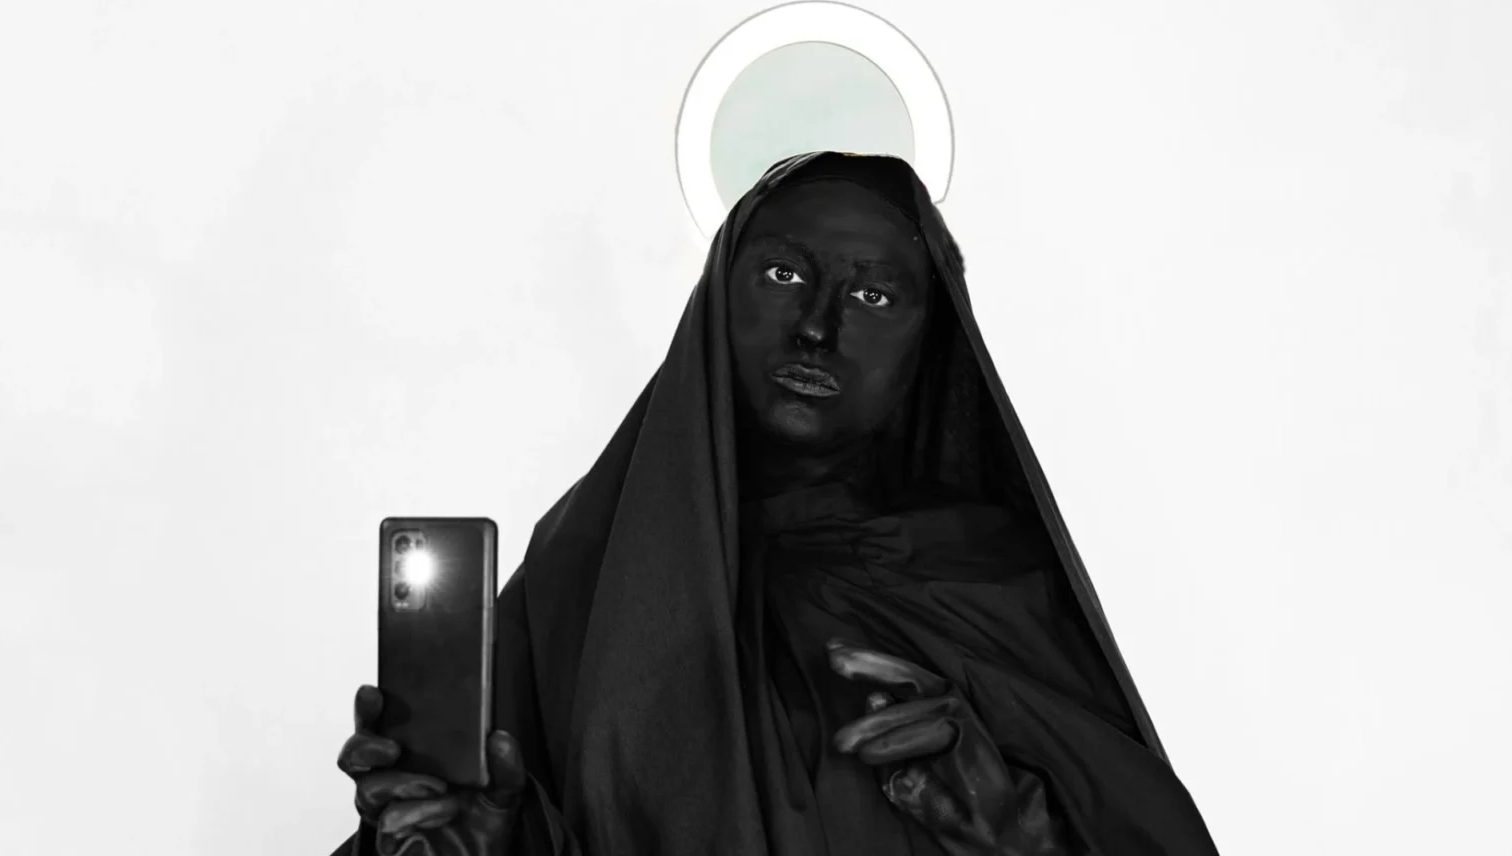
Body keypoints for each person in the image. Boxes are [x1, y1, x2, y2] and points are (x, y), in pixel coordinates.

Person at [331, 152, 1221, 855]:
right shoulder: (585, 574)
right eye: (785, 275)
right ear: (719, 294)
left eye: (873, 295)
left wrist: (1018, 834)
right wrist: (483, 844)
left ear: (930, 343)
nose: (817, 328)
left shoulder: (996, 587)